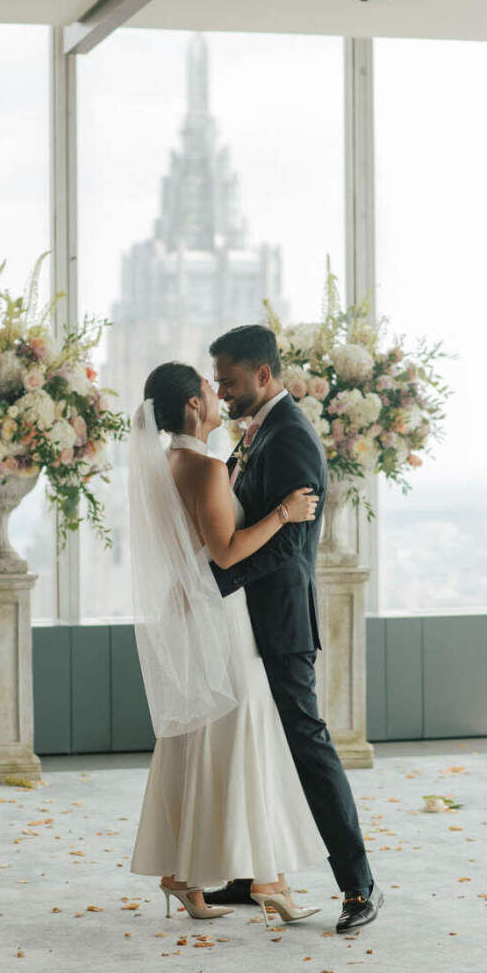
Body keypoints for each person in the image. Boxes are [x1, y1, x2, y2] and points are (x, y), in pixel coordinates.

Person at [128, 360, 327, 926]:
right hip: (219, 615)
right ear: (193, 406)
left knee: (202, 733)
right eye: (208, 390)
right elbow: (227, 551)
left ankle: (184, 875)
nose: (218, 395)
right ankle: (267, 877)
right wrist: (285, 514)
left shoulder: (164, 462)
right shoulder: (206, 467)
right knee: (246, 731)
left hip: (185, 611)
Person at [204, 325, 383, 934]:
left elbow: (293, 544)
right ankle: (250, 872)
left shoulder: (292, 436)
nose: (223, 393)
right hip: (243, 621)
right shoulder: (259, 432)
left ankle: (359, 886)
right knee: (251, 741)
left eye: (229, 381)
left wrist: (218, 580)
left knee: (309, 745)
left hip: (278, 621)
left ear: (263, 374)